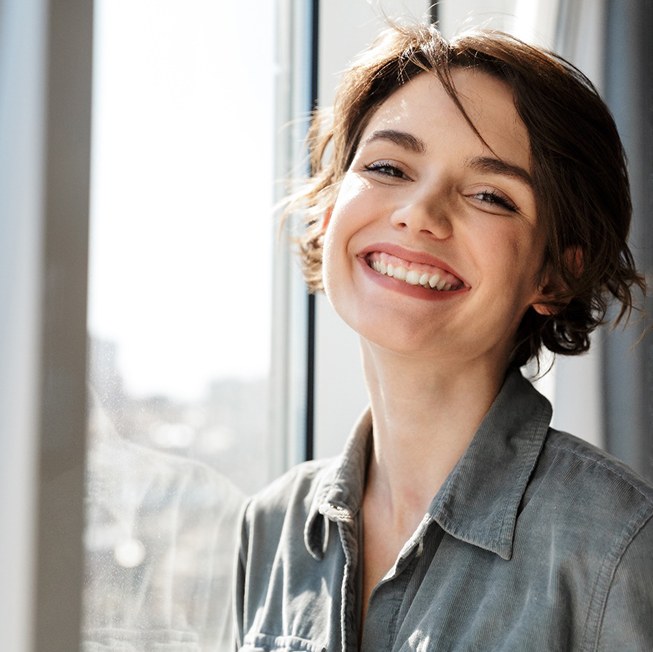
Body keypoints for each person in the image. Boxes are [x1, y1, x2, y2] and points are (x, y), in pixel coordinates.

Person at [234, 22, 652, 651]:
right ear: (327, 211)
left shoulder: (622, 546)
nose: (420, 214)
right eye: (386, 167)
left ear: (556, 273)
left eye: (490, 195)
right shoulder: (272, 528)